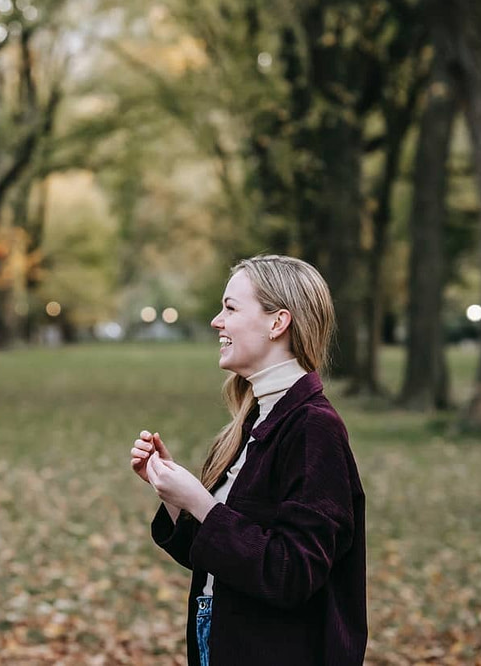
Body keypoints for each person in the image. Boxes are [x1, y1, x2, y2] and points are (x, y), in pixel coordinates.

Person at [130, 254, 366, 665]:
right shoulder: (259, 415)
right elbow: (222, 555)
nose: (216, 322)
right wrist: (174, 495)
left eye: (230, 308)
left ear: (278, 323)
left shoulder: (312, 427)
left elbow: (292, 573)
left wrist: (200, 502)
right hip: (219, 635)